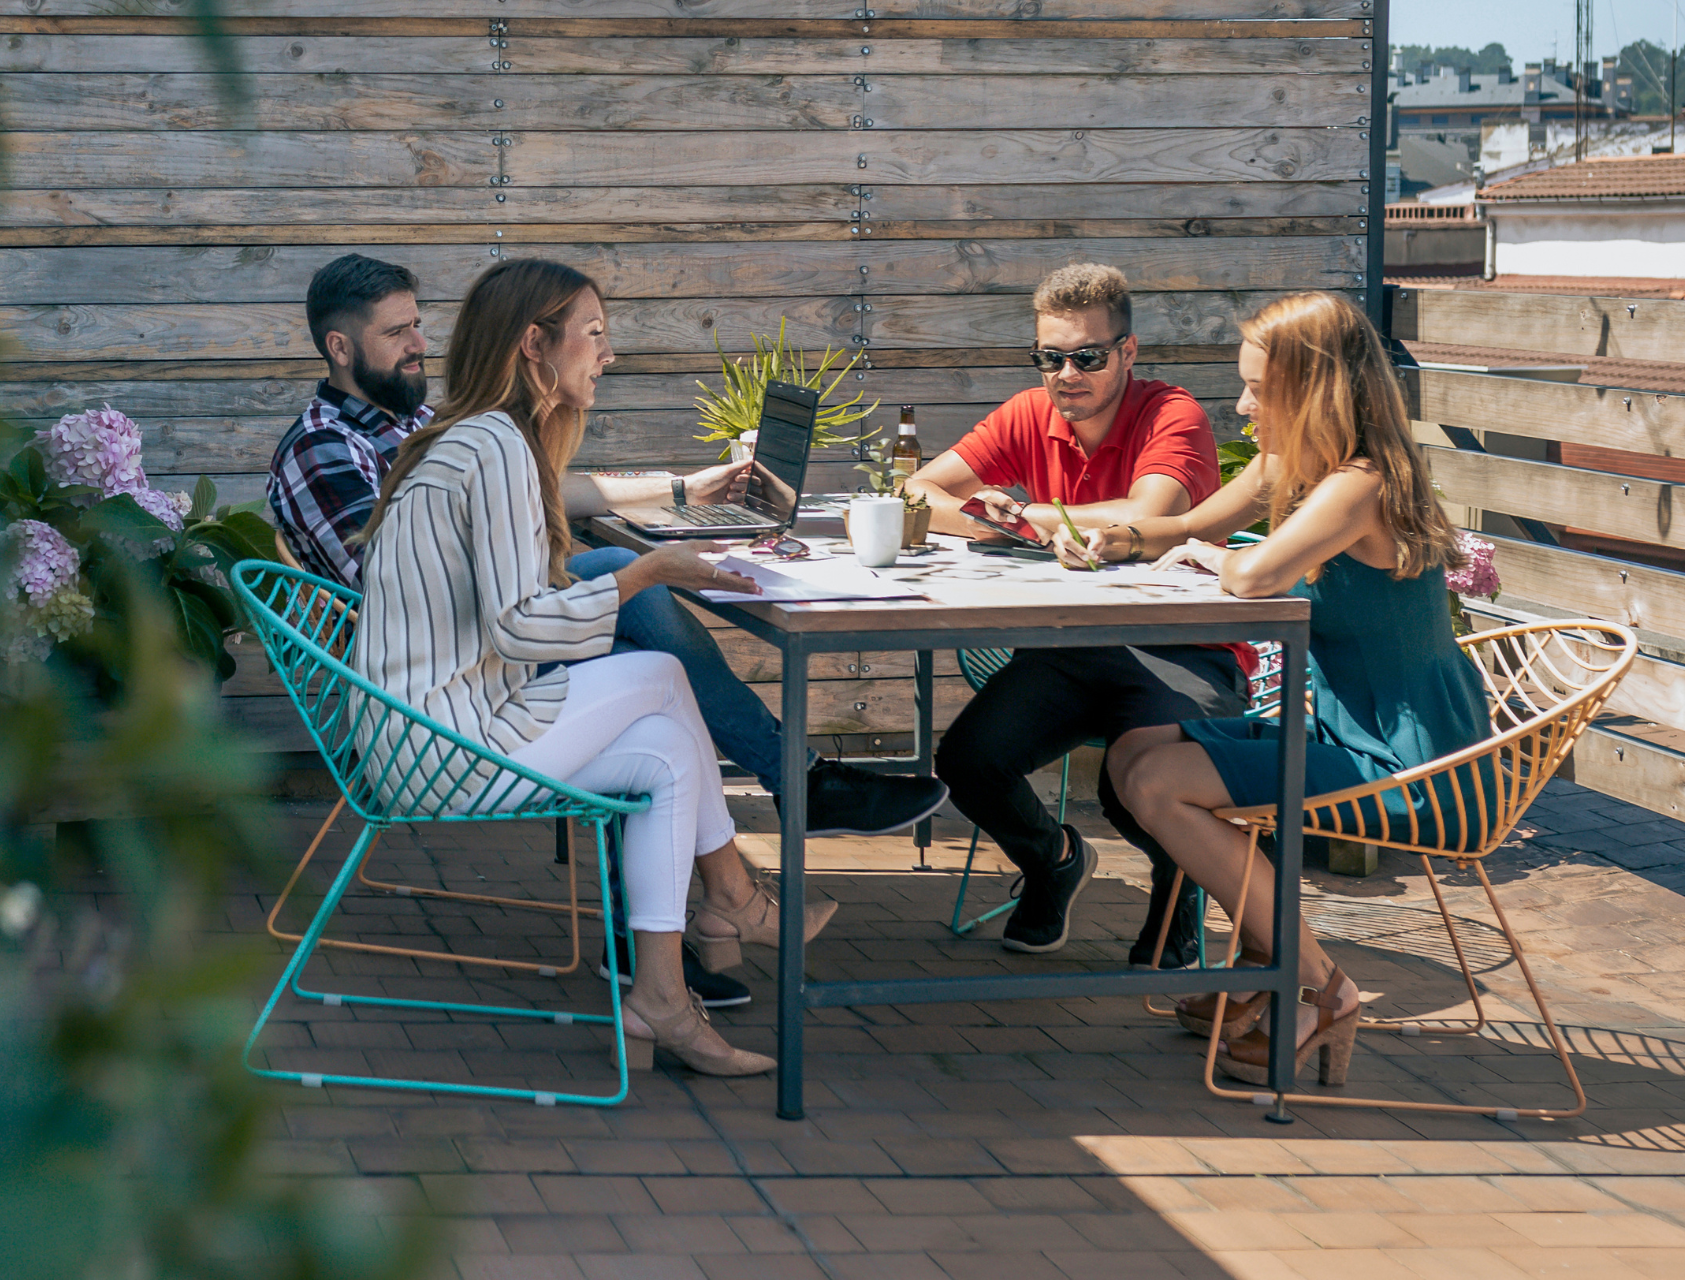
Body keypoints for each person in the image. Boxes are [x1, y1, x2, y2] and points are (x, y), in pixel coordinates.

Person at [266, 254, 947, 1002]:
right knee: (650, 652)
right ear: (340, 347)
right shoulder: (326, 445)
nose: (420, 343)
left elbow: (536, 497)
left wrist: (683, 488)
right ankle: (767, 831)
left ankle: (663, 964)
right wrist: (640, 571)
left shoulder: (437, 425)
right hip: (436, 682)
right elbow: (399, 583)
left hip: (474, 660)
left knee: (649, 679)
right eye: (397, 332)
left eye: (418, 324)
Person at [351, 259, 815, 1075]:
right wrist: (648, 574)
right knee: (663, 679)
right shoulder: (492, 444)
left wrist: (672, 496)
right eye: (594, 334)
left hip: (434, 727)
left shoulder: (487, 438)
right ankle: (736, 901)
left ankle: (664, 996)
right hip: (439, 744)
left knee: (670, 752)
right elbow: (524, 627)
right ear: (535, 344)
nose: (607, 354)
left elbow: (556, 510)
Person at [1092, 291, 1493, 1087]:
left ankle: (1320, 984)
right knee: (1135, 752)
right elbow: (1198, 524)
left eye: (1256, 390)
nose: (1241, 406)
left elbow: (1252, 570)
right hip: (1353, 738)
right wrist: (1108, 534)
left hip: (1412, 764)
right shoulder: (1305, 469)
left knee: (1161, 786)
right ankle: (1263, 973)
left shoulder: (1358, 484)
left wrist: (1220, 557)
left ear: (1312, 392)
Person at [905, 264, 1254, 962]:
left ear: (1127, 352)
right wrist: (982, 517)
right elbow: (918, 487)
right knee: (968, 763)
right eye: (1050, 357)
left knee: (1134, 785)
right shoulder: (1028, 413)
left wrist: (1022, 513)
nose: (1067, 374)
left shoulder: (1170, 413)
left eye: (1087, 357)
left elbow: (1150, 514)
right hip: (1070, 646)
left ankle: (1176, 884)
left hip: (1182, 649)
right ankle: (1054, 859)